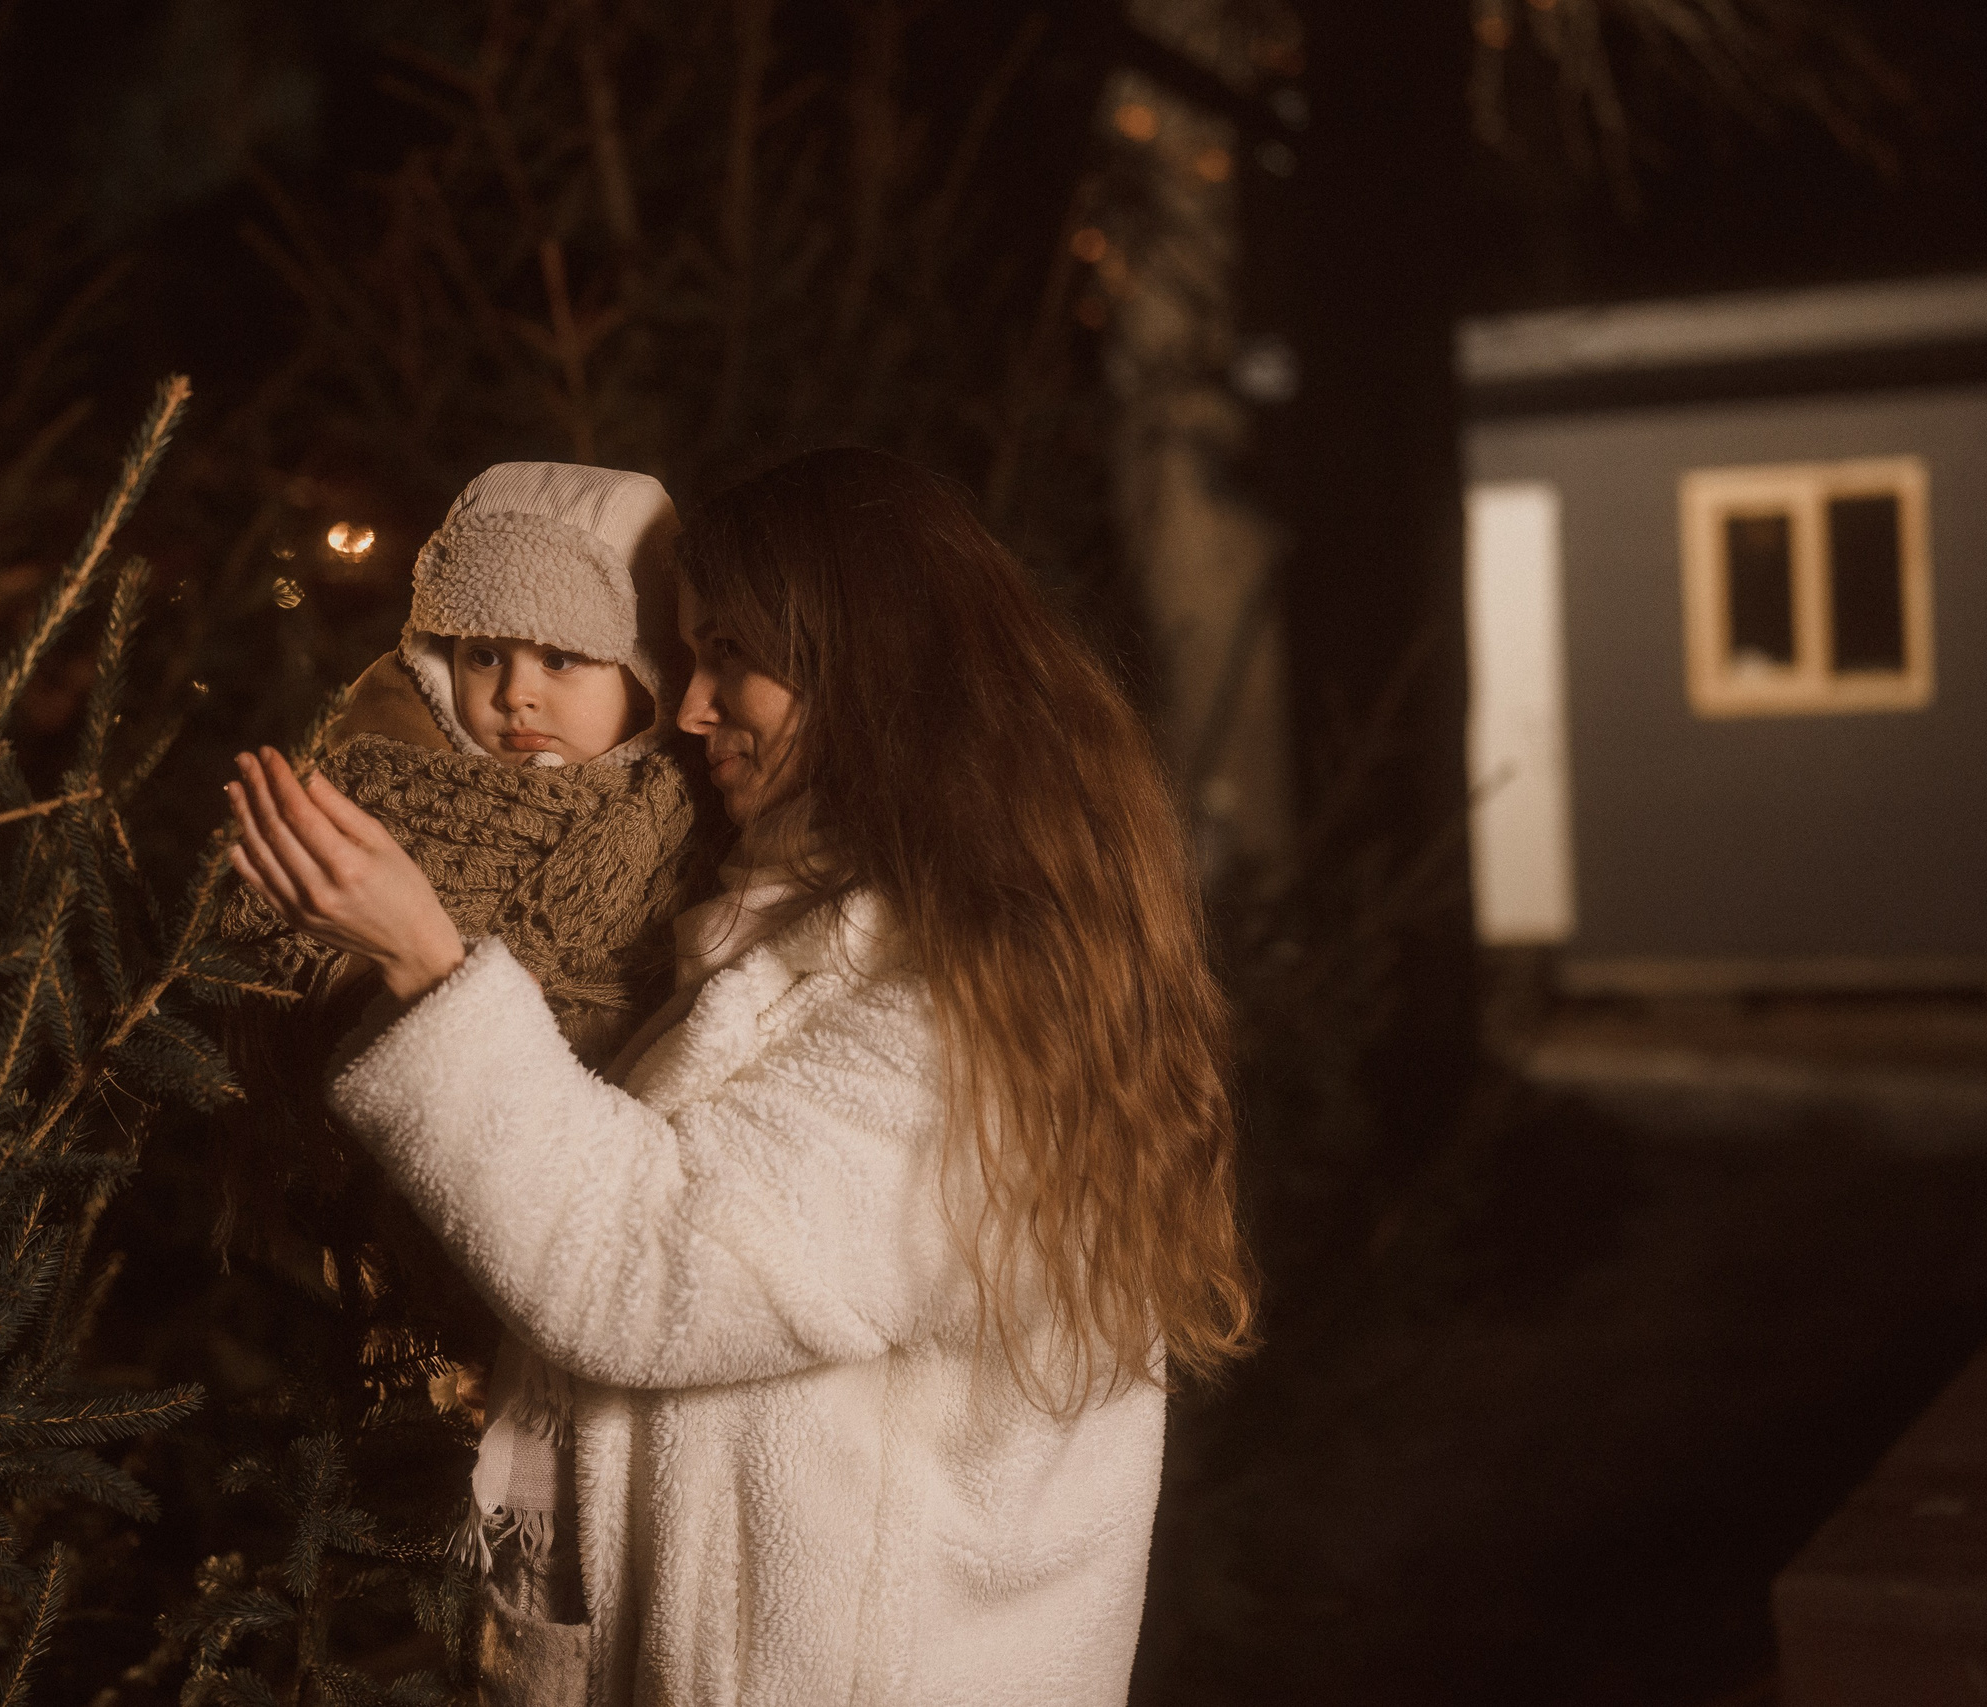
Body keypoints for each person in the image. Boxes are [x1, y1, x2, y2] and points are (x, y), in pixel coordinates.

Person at [227, 447, 1258, 1707]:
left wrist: (427, 960)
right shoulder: (787, 934)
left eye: (730, 659)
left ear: (859, 670)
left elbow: (647, 1264)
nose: (695, 705)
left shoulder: (967, 1009)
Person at [216, 462, 720, 1688]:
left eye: (563, 661)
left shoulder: (687, 829)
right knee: (457, 1589)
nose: (514, 696)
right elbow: (279, 961)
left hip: (584, 1256)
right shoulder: (372, 791)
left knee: (571, 1599)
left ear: (645, 671)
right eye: (483, 654)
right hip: (395, 1262)